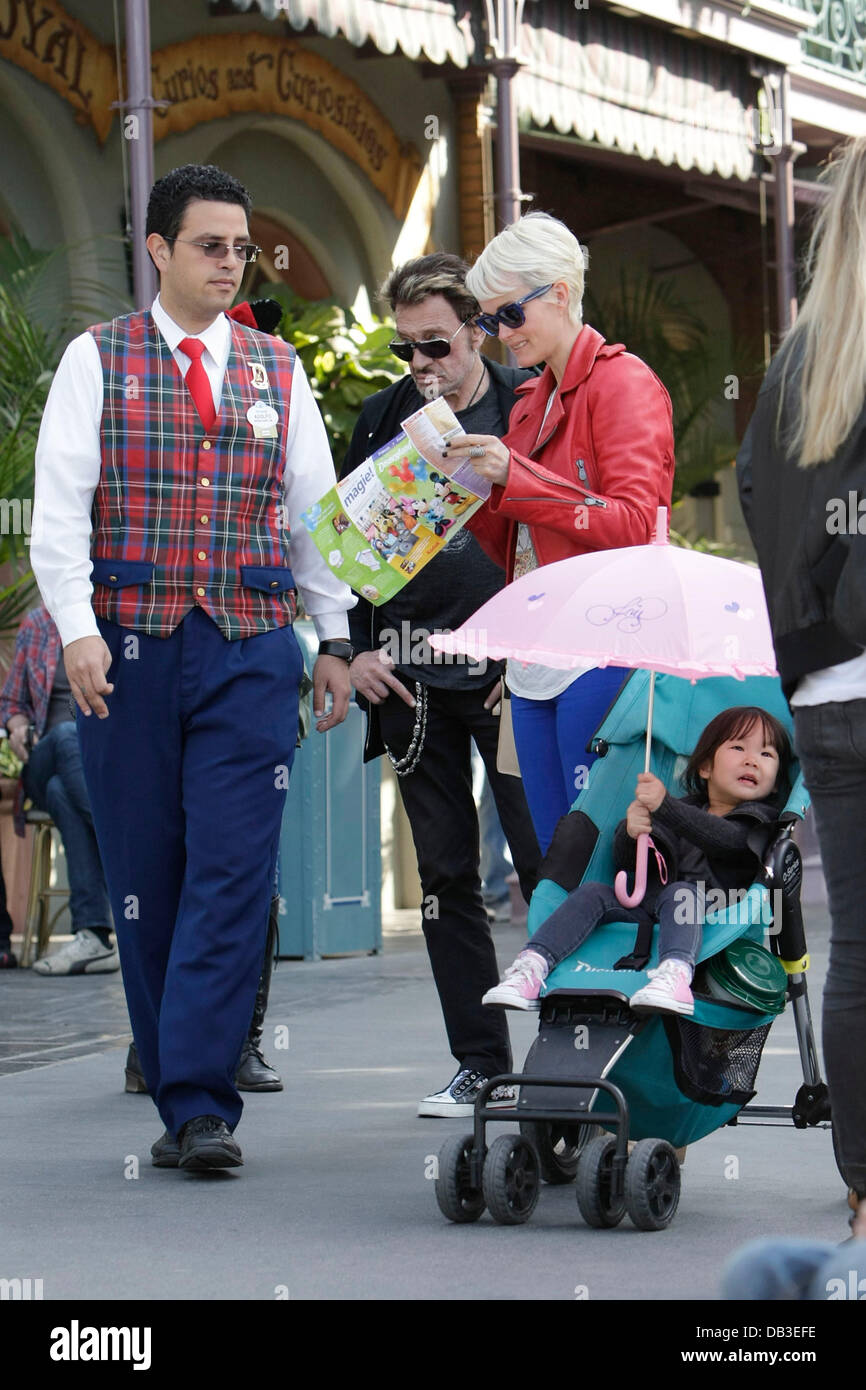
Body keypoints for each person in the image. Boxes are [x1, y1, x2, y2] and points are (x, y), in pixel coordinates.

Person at [29, 163, 354, 1172]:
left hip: (252, 648)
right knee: (146, 876)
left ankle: (202, 1101)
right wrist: (78, 629)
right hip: (128, 653)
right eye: (209, 245)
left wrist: (335, 636)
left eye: (240, 247)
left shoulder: (275, 368)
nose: (229, 262)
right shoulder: (98, 359)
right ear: (158, 250)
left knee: (234, 868)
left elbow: (316, 515)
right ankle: (180, 1088)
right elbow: (57, 510)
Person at [341, 252, 542, 1117]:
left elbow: (556, 529)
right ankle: (480, 1062)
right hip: (410, 678)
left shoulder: (524, 407)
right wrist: (359, 650)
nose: (421, 367)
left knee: (547, 866)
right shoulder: (382, 418)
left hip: (506, 673)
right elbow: (349, 558)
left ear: (476, 329)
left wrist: (531, 655)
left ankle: (571, 1058)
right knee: (446, 876)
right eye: (406, 351)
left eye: (436, 346)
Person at [443, 211, 674, 855]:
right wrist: (458, 487)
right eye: (488, 321)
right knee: (554, 858)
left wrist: (511, 475)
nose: (499, 335)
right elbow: (515, 539)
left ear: (562, 294)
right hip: (536, 655)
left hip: (603, 642)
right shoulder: (529, 399)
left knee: (600, 857)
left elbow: (635, 523)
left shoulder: (621, 381)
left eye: (510, 314)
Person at [736, 136, 866, 1218]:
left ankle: (864, 1183)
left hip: (825, 690)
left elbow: (754, 495)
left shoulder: (796, 361)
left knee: (857, 944)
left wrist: (807, 622)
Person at [483, 707, 792, 1012]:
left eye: (766, 755)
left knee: (681, 894)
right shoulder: (681, 809)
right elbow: (631, 866)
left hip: (713, 916)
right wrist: (632, 832)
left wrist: (665, 807)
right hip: (649, 912)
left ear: (777, 781)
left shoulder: (760, 820)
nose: (752, 760)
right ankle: (533, 966)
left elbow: (728, 841)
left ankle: (675, 974)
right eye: (738, 747)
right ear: (705, 767)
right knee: (592, 892)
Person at [0, 603, 117, 975]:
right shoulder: (37, 624)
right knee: (68, 734)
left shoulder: (114, 618)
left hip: (96, 767)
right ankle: (120, 835)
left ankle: (93, 935)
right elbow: (11, 704)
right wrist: (17, 727)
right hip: (44, 754)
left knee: (60, 793)